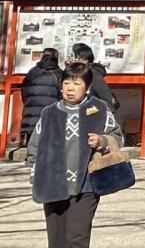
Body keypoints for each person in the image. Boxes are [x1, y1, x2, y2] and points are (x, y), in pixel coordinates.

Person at [28, 62, 124, 248]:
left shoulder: (99, 110)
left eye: (77, 84)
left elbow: (117, 138)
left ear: (87, 87)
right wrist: (35, 175)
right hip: (52, 184)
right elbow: (35, 147)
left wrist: (102, 141)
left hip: (86, 185)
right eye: (66, 83)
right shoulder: (50, 113)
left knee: (76, 239)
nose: (70, 88)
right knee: (57, 242)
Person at [20, 48, 61, 147]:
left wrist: (27, 101)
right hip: (50, 106)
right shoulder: (58, 73)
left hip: (32, 105)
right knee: (48, 131)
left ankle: (30, 156)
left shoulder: (33, 71)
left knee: (32, 130)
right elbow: (61, 91)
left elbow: (24, 87)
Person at [71, 44, 118, 112]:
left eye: (78, 58)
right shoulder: (78, 73)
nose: (75, 60)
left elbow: (105, 96)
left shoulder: (93, 74)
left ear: (86, 60)